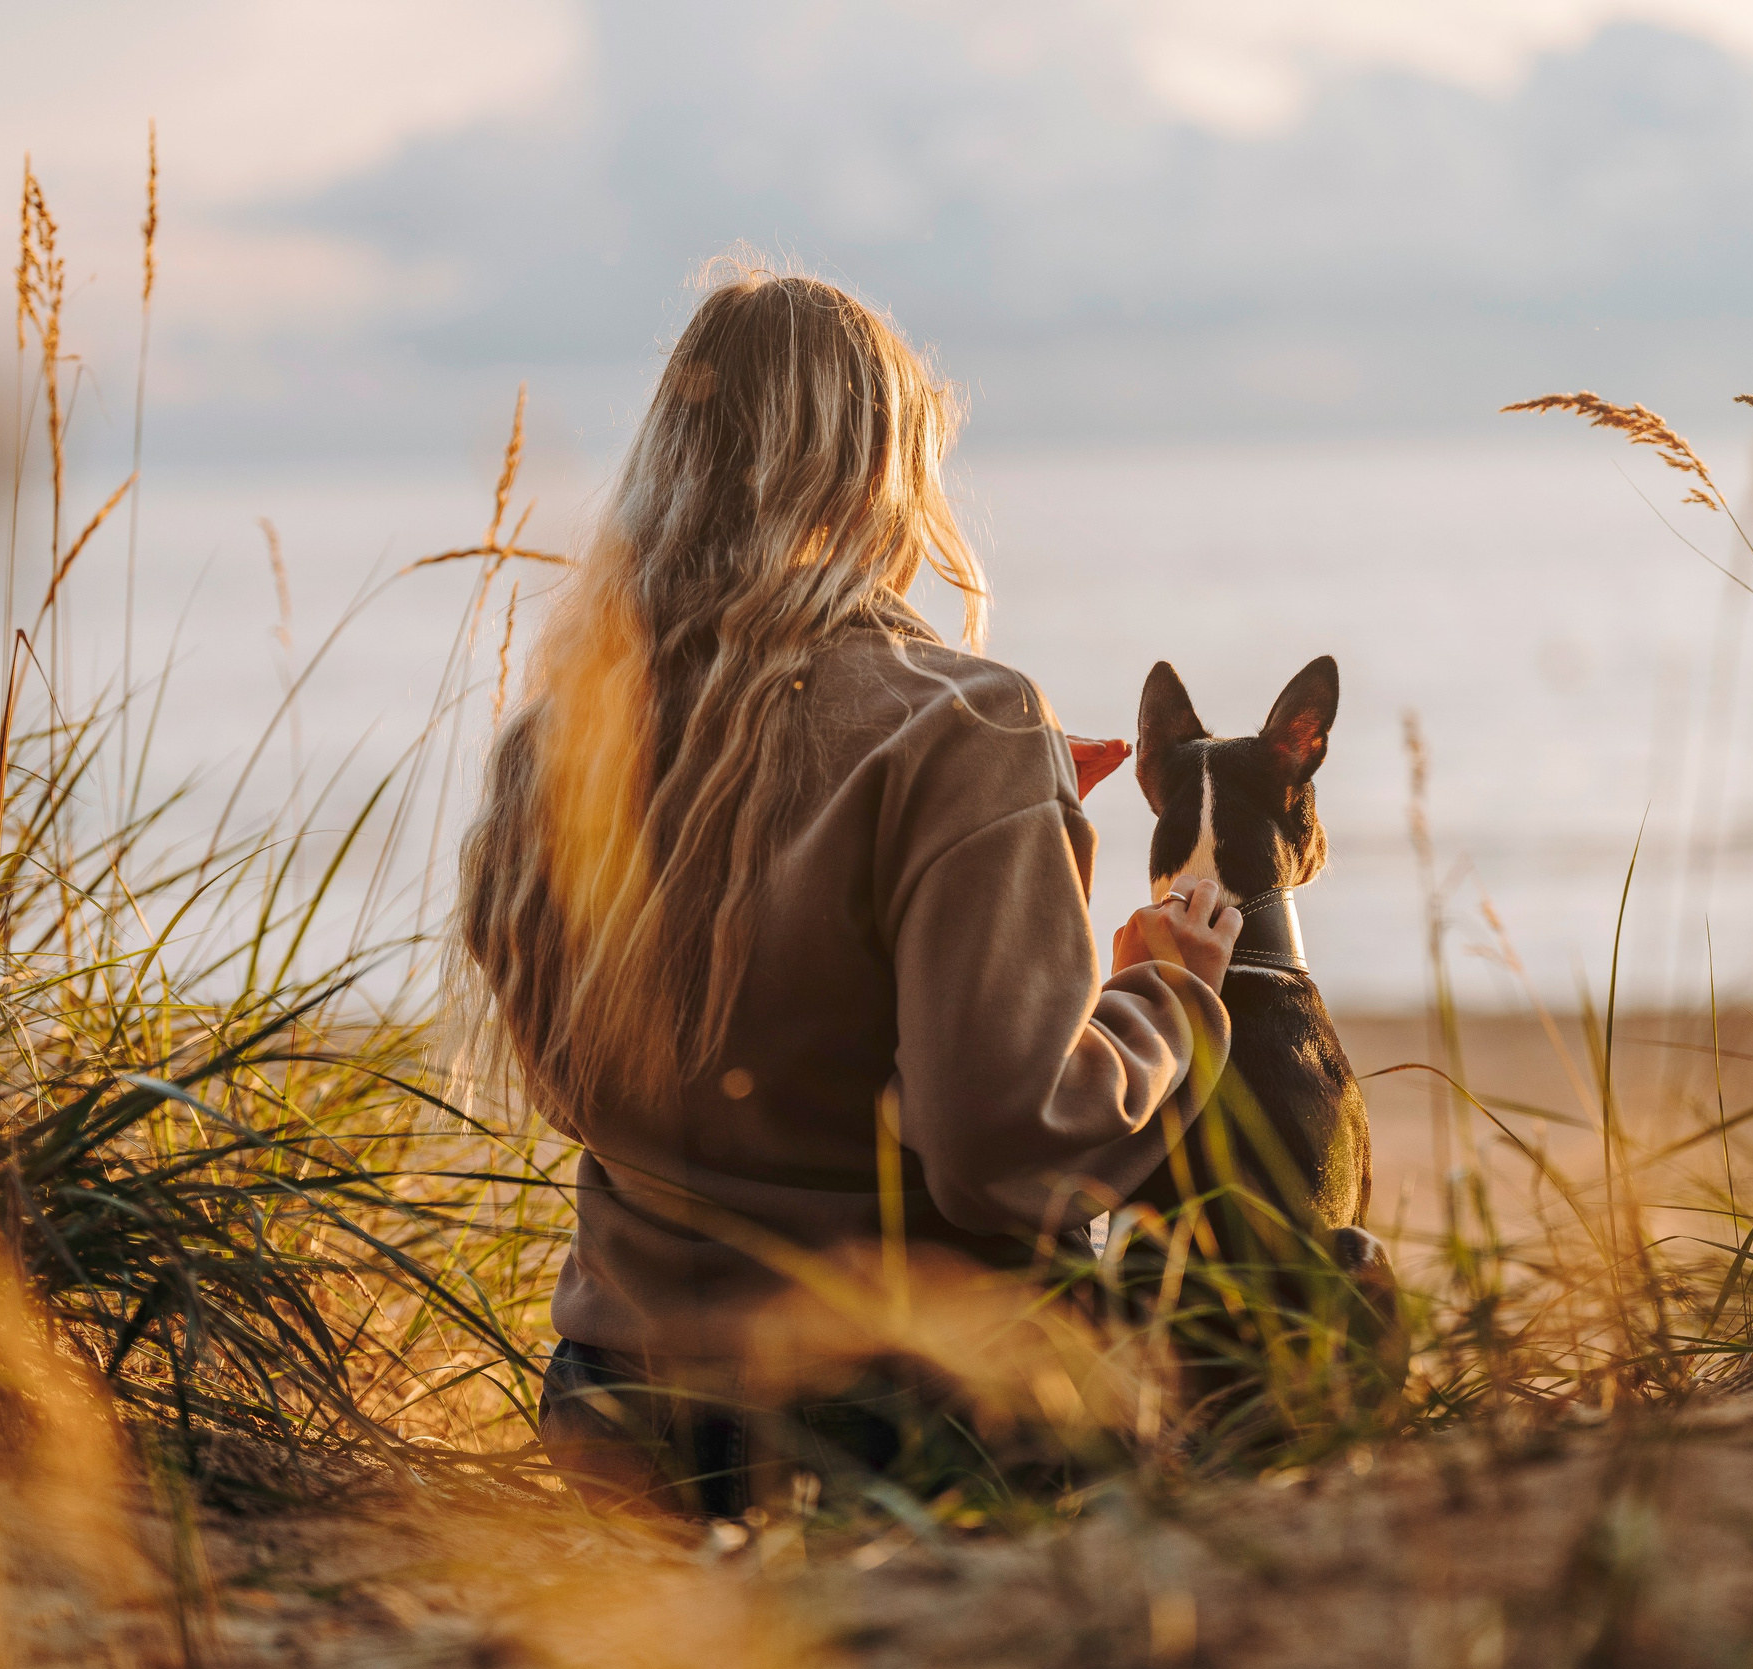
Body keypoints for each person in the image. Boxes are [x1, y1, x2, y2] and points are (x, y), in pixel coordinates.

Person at [456, 262, 1238, 1515]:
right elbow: (1000, 1150)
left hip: (620, 1403)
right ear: (890, 472)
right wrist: (1166, 998)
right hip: (901, 1414)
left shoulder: (556, 740)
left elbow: (583, 1083)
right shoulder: (964, 724)